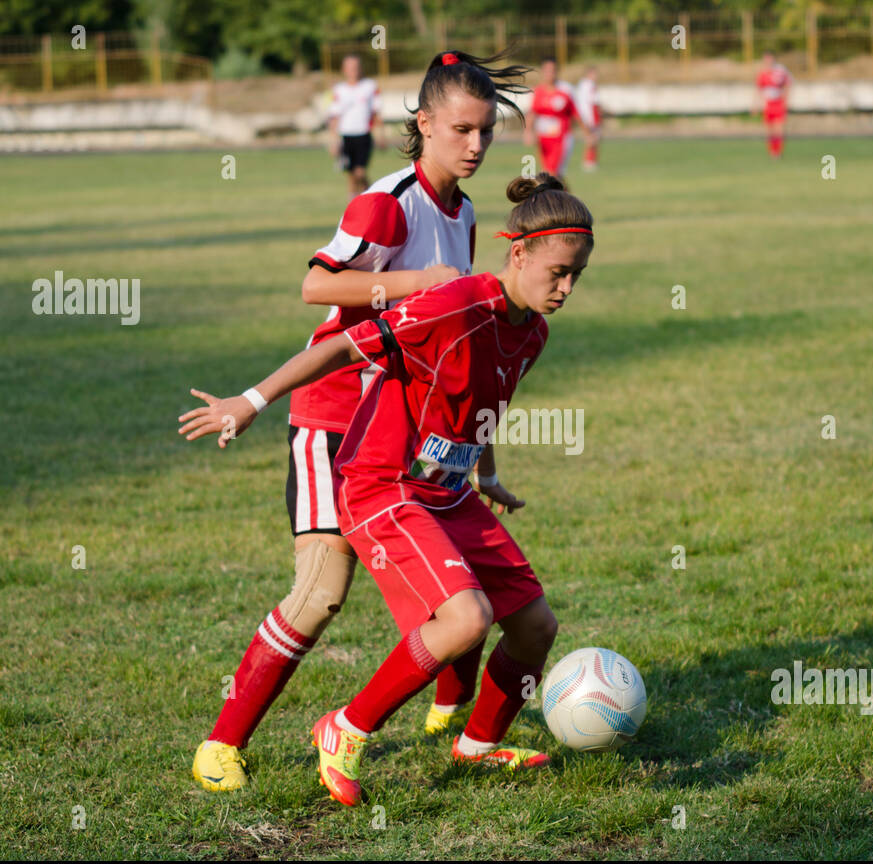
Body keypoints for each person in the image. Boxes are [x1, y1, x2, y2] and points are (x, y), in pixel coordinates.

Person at [178, 174, 594, 807]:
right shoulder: (453, 303)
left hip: (447, 492)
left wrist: (486, 475)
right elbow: (343, 346)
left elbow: (481, 407)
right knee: (463, 618)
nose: (566, 289)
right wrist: (252, 401)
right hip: (384, 485)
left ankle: (478, 747)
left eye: (577, 277)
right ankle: (344, 728)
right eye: (558, 272)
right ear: (520, 254)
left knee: (536, 626)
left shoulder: (531, 329)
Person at [189, 50, 530, 793]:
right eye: (462, 130)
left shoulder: (466, 211)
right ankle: (222, 741)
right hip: (332, 418)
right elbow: (317, 284)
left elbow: (458, 347)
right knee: (323, 591)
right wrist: (252, 399)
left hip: (403, 430)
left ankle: (450, 706)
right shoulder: (387, 201)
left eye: (486, 134)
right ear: (424, 124)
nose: (475, 146)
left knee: (456, 583)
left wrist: (483, 464)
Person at [524, 56, 596, 179]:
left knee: (552, 175)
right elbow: (532, 113)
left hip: (562, 138)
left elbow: (576, 114)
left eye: (552, 70)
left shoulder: (565, 91)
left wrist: (588, 134)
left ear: (557, 71)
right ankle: (567, 198)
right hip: (544, 139)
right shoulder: (538, 91)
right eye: (546, 71)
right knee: (550, 175)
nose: (549, 74)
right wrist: (528, 131)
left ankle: (561, 198)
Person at [326, 55, 382, 197]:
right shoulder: (339, 90)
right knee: (351, 175)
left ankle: (372, 197)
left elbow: (376, 113)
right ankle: (354, 207)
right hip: (346, 136)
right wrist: (333, 141)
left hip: (363, 134)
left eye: (356, 67)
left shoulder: (370, 86)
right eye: (350, 68)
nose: (354, 70)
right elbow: (334, 116)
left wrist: (381, 134)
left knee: (360, 172)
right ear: (344, 70)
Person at [756, 51, 791, 159]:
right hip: (768, 104)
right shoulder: (762, 73)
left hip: (778, 103)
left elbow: (787, 85)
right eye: (766, 59)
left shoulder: (780, 72)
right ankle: (772, 151)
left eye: (770, 59)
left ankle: (778, 152)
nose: (768, 62)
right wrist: (756, 104)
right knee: (769, 130)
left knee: (779, 129)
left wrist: (786, 100)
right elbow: (759, 89)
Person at [574, 65, 602, 171]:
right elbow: (593, 102)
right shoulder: (589, 85)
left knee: (593, 139)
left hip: (586, 116)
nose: (596, 76)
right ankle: (589, 162)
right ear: (589, 74)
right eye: (594, 74)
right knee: (592, 139)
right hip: (590, 116)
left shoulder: (582, 85)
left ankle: (591, 161)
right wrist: (593, 117)